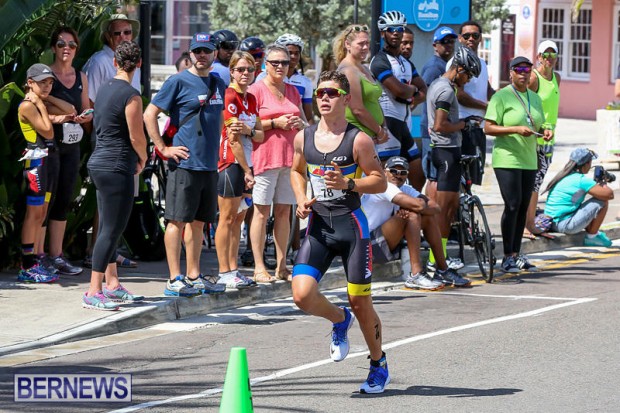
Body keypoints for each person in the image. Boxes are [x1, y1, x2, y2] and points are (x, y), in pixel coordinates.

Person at [290, 70, 390, 394]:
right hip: (319, 226)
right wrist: (300, 198)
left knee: (360, 302)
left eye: (331, 93)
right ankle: (338, 319)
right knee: (301, 295)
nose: (324, 98)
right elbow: (296, 171)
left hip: (351, 227)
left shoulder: (358, 139)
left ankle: (378, 364)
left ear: (346, 99)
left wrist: (348, 183)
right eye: (320, 92)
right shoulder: (304, 137)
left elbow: (380, 181)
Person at [144, 32, 228, 296]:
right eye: (197, 51)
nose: (202, 55)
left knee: (199, 223)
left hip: (209, 165)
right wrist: (163, 148)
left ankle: (194, 275)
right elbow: (149, 113)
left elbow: (219, 117)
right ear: (190, 53)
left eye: (206, 51)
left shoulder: (218, 82)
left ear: (214, 53)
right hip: (184, 164)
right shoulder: (178, 81)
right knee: (176, 221)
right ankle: (173, 278)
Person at [83, 41, 147, 310]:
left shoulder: (105, 89)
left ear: (114, 62)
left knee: (109, 228)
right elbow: (136, 136)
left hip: (99, 163)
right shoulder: (132, 96)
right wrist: (143, 157)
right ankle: (93, 290)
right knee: (111, 230)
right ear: (139, 64)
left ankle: (112, 283)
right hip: (117, 165)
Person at [484, 56, 553, 273]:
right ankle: (507, 256)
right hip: (507, 158)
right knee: (512, 204)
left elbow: (540, 123)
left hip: (529, 159)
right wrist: (514, 129)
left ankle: (517, 253)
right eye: (519, 70)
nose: (523, 74)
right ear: (511, 73)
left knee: (523, 207)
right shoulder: (501, 96)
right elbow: (488, 127)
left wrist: (546, 131)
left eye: (527, 70)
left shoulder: (535, 97)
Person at [82, 13, 141, 269]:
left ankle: (110, 261)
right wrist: (97, 135)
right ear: (108, 36)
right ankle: (98, 259)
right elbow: (89, 104)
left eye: (127, 32)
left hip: (124, 144)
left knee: (115, 209)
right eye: (117, 33)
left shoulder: (131, 67)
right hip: (108, 142)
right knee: (108, 207)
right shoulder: (99, 62)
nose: (123, 37)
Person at [361, 156, 469, 289]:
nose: (398, 175)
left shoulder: (405, 188)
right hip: (367, 246)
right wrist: (416, 206)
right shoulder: (384, 186)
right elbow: (419, 205)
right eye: (393, 171)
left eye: (403, 172)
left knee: (427, 217)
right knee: (412, 215)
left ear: (407, 175)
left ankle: (443, 270)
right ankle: (415, 274)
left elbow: (436, 207)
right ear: (384, 172)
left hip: (385, 241)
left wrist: (414, 206)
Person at [248, 44, 307, 282]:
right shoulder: (255, 90)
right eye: (275, 63)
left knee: (284, 213)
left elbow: (305, 120)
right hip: (264, 158)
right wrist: (275, 123)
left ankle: (282, 266)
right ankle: (259, 267)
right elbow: (247, 124)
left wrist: (302, 125)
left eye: (285, 62)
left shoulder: (292, 90)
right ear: (266, 65)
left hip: (290, 159)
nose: (281, 66)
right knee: (261, 212)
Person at [424, 46, 479, 286]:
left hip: (444, 151)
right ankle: (438, 265)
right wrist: (463, 125)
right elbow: (440, 125)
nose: (468, 80)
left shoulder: (440, 84)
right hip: (446, 152)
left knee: (447, 211)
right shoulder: (446, 91)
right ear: (459, 70)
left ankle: (438, 262)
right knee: (444, 213)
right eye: (468, 75)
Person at [17, 64, 74, 283]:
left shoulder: (40, 102)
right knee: (33, 214)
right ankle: (27, 265)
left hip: (49, 162)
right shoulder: (27, 106)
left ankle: (34, 260)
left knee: (41, 213)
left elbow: (70, 110)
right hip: (36, 163)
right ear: (30, 82)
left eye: (50, 83)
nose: (47, 86)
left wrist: (46, 99)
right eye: (42, 83)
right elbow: (48, 131)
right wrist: (41, 104)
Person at [43, 26, 92, 276]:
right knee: (45, 202)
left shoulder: (81, 76)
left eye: (71, 45)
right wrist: (62, 115)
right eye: (61, 44)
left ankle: (57, 255)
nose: (66, 49)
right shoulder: (45, 74)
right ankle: (38, 256)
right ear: (53, 47)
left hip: (72, 146)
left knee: (64, 199)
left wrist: (85, 117)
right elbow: (36, 107)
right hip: (49, 145)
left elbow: (84, 109)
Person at [215, 51, 263, 289]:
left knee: (239, 218)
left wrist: (249, 131)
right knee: (227, 218)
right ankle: (223, 271)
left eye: (250, 70)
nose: (246, 73)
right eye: (241, 69)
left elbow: (260, 134)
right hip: (231, 163)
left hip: (248, 163)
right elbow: (233, 140)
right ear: (232, 71)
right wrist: (247, 171)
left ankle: (233, 269)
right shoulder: (230, 95)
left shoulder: (251, 98)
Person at [370, 10, 427, 191]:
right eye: (390, 29)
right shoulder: (379, 61)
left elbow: (424, 89)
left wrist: (411, 95)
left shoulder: (405, 62)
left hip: (403, 123)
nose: (395, 33)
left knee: (418, 173)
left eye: (399, 29)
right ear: (383, 33)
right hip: (388, 122)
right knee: (390, 175)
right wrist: (412, 90)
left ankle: (409, 203)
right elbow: (399, 90)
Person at [333, 25, 389, 157]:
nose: (365, 47)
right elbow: (357, 109)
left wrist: (383, 127)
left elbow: (374, 101)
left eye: (367, 43)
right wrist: (380, 131)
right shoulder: (347, 71)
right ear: (347, 44)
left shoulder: (364, 68)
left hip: (370, 137)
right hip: (356, 137)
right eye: (361, 44)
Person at [524, 40, 561, 238]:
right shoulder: (533, 78)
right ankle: (527, 225)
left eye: (552, 54)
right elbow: (524, 105)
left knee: (536, 184)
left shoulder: (557, 77)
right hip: (534, 138)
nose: (549, 58)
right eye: (545, 54)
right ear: (538, 57)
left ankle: (530, 223)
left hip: (548, 140)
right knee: (531, 183)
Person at [543, 148, 614, 246]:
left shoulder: (563, 175)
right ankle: (592, 236)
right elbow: (609, 195)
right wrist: (603, 182)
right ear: (586, 163)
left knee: (584, 205)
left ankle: (592, 231)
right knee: (602, 201)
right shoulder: (581, 180)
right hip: (565, 225)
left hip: (551, 223)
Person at [455, 21, 495, 186]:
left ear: (480, 38)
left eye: (475, 35)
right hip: (463, 127)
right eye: (466, 36)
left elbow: (488, 90)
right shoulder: (457, 63)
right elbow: (459, 95)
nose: (471, 39)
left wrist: (508, 97)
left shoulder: (482, 64)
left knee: (473, 179)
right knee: (461, 179)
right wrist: (486, 106)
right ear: (460, 38)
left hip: (478, 128)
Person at [420, 26, 458, 199]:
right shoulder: (434, 67)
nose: (448, 45)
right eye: (444, 42)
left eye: (451, 41)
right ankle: (433, 212)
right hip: (433, 130)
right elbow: (429, 98)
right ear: (435, 45)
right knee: (434, 177)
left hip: (440, 129)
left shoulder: (445, 65)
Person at [274, 33, 315, 124]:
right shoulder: (264, 77)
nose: (294, 57)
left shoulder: (305, 82)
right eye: (289, 53)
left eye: (297, 53)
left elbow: (308, 116)